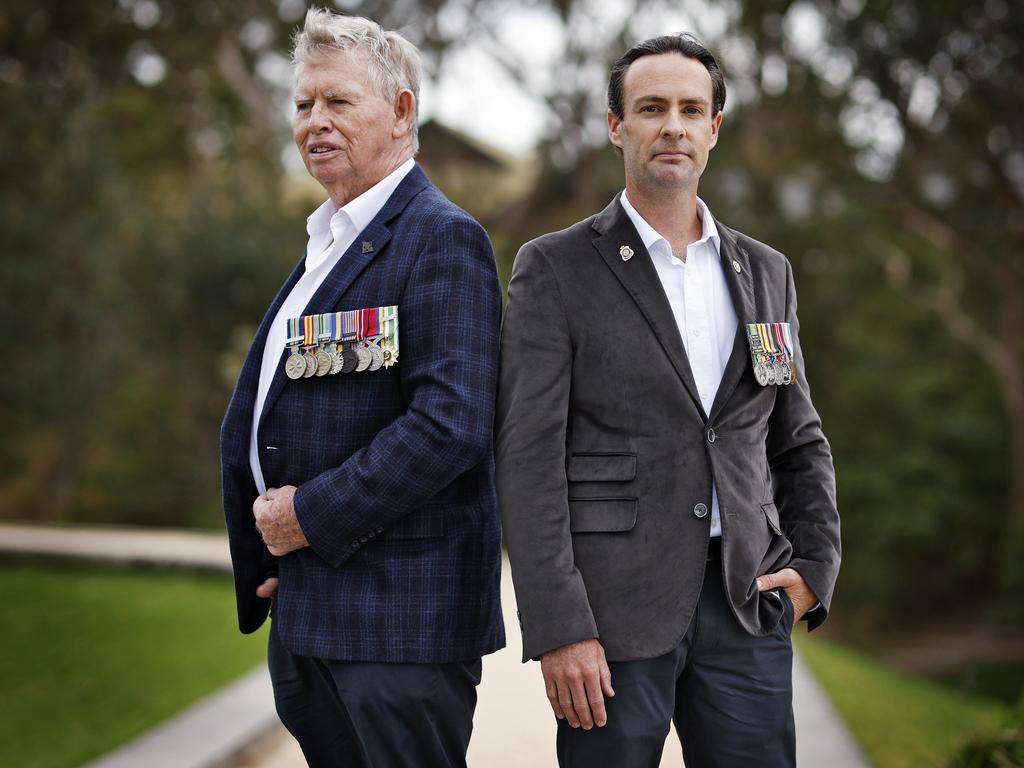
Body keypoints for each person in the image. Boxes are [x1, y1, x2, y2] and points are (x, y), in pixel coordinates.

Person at [496, 33, 840, 768]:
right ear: (617, 126)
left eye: (692, 109)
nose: (673, 126)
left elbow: (797, 438)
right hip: (609, 622)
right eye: (651, 108)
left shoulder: (766, 272)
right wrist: (559, 626)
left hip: (746, 608)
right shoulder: (554, 268)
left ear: (715, 128)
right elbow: (527, 459)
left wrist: (816, 565)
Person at [219, 10, 504, 767]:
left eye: (338, 102)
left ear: (402, 112)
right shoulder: (325, 244)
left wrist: (305, 517)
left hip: (400, 631)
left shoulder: (442, 239)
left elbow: (453, 423)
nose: (315, 121)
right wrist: (280, 563)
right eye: (304, 104)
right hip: (316, 613)